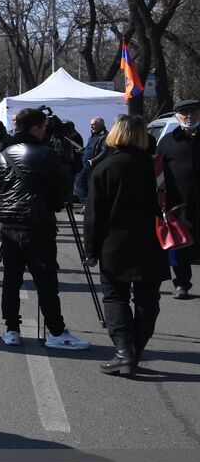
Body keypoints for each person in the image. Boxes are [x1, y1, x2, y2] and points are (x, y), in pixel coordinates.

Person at [0, 108, 91, 351]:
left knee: (11, 278)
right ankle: (56, 331)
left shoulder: (3, 154)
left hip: (9, 223)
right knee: (46, 280)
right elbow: (64, 187)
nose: (45, 131)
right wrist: (54, 202)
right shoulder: (45, 154)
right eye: (43, 127)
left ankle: (11, 328)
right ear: (36, 128)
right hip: (37, 224)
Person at [85, 115, 168, 376]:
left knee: (115, 297)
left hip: (115, 243)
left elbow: (94, 214)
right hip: (153, 241)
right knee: (148, 300)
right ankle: (136, 348)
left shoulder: (105, 168)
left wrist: (90, 249)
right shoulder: (156, 167)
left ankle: (123, 351)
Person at [157, 99, 200, 299]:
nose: (189, 116)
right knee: (181, 247)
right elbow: (158, 174)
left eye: (193, 112)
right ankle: (182, 283)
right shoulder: (167, 142)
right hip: (179, 205)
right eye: (184, 113)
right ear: (177, 116)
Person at [75, 117, 107, 204]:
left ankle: (90, 204)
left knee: (90, 185)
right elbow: (90, 147)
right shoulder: (93, 135)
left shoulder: (104, 136)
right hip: (86, 165)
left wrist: (94, 160)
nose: (91, 127)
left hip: (94, 165)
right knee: (80, 182)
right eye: (90, 125)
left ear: (100, 125)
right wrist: (83, 150)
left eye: (93, 125)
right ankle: (86, 203)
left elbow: (104, 151)